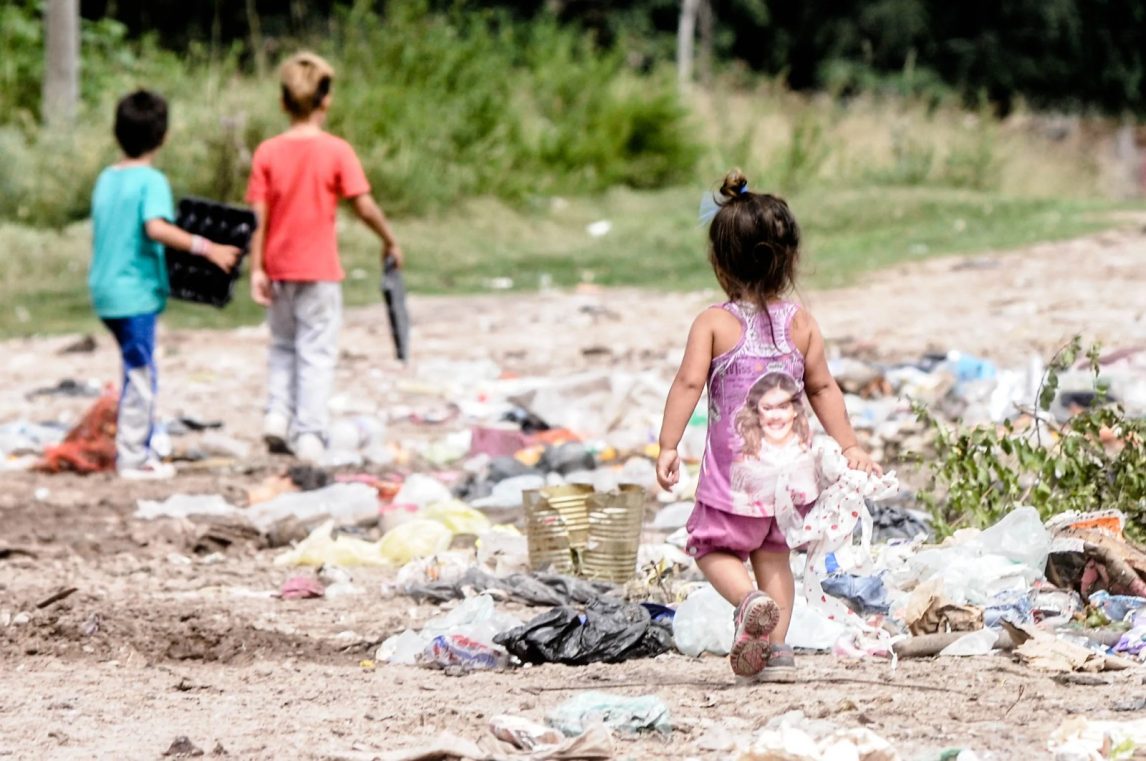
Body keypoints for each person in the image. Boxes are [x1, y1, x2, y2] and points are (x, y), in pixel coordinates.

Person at [655, 169, 881, 680]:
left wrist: (668, 445)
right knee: (774, 556)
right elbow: (824, 388)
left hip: (734, 485)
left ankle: (746, 601)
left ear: (718, 263)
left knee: (710, 546)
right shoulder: (801, 322)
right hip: (789, 482)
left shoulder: (714, 323)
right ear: (791, 259)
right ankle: (776, 651)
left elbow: (688, 385)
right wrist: (849, 446)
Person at [246, 51, 403, 464]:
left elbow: (257, 217)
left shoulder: (267, 152)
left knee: (282, 346)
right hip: (318, 271)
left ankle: (277, 417)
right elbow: (364, 206)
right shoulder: (336, 151)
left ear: (283, 102)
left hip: (278, 268)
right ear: (326, 101)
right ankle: (311, 434)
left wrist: (256, 266)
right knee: (316, 352)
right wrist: (388, 239)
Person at [90, 89, 240, 479]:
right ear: (164, 136)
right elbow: (155, 227)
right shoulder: (151, 181)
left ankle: (140, 439)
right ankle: (133, 458)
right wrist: (207, 249)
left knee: (131, 367)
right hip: (133, 294)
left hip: (104, 291)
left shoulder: (106, 178)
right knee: (141, 372)